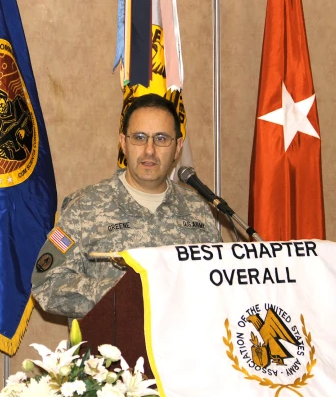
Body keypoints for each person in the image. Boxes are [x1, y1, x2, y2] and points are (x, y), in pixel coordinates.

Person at [31, 94, 221, 319]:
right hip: (112, 350)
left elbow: (219, 284)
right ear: (123, 142)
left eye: (161, 139)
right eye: (139, 137)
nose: (149, 150)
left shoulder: (198, 209)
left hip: (183, 350)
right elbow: (46, 283)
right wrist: (121, 295)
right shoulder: (85, 207)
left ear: (178, 146)